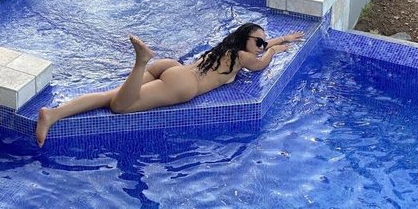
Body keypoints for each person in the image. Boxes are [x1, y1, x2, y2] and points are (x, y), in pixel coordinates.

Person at [36, 23, 304, 147]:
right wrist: (274, 50)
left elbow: (259, 48)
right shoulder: (244, 57)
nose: (261, 46)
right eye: (258, 42)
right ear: (246, 41)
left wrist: (282, 39)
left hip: (173, 67)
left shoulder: (227, 50)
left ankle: (54, 114)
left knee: (110, 96)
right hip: (183, 85)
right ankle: (141, 61)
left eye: (263, 42)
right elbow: (261, 63)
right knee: (119, 106)